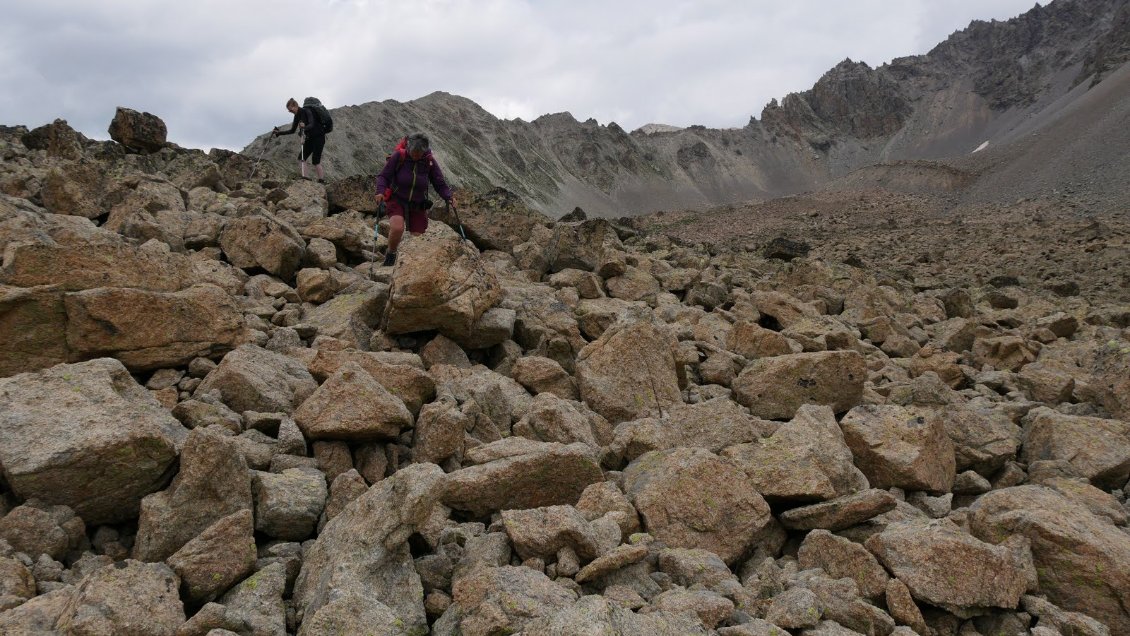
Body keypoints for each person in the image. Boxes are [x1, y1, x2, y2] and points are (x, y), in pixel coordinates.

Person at [374, 133, 453, 266]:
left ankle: (411, 265)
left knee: (418, 238)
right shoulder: (399, 156)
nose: (415, 155)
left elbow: (439, 182)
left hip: (418, 203)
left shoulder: (429, 161)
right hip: (397, 198)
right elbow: (384, 176)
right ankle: (391, 253)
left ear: (424, 151)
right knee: (397, 228)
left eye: (419, 153)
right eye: (413, 152)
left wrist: (449, 197)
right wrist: (380, 191)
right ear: (408, 148)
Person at [272, 98, 326, 183]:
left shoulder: (307, 111)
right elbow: (292, 130)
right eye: (289, 110)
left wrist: (304, 127)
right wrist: (279, 133)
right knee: (301, 157)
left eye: (290, 109)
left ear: (295, 106)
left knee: (316, 159)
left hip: (319, 136)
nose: (290, 111)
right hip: (310, 138)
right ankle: (305, 178)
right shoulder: (297, 116)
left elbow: (312, 124)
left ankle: (321, 180)